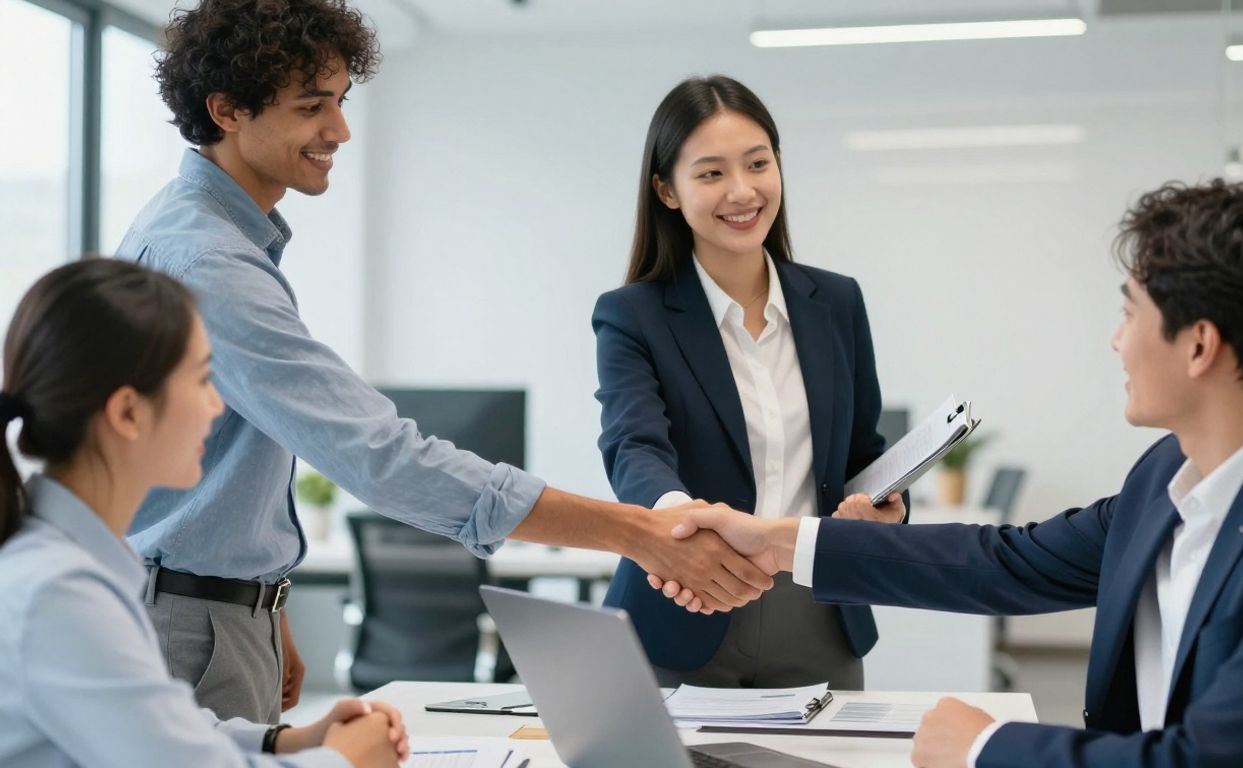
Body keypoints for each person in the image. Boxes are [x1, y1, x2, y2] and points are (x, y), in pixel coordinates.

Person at [114, 0, 771, 722]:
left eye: (339, 101)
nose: (339, 130)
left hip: (217, 612)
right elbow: (379, 456)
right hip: (190, 623)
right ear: (227, 110)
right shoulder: (209, 263)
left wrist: (265, 606)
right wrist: (635, 533)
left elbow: (220, 456)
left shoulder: (212, 237)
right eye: (311, 106)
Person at [658, 180, 1243, 767]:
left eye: (1130, 313)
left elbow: (1212, 761)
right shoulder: (1169, 475)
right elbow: (1006, 563)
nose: (1116, 340)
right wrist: (776, 541)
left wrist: (986, 746)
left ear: (1200, 346)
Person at [0, 259, 410, 768]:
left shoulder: (68, 568)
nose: (217, 407)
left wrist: (291, 742)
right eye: (202, 380)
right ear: (128, 412)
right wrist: (347, 760)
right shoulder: (59, 593)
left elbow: (157, 727)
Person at [593, 75, 905, 690]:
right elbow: (634, 445)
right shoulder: (633, 315)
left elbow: (861, 454)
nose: (742, 190)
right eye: (711, 173)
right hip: (683, 601)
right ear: (667, 190)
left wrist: (885, 505)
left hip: (820, 608)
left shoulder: (836, 302)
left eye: (758, 164)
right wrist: (682, 529)